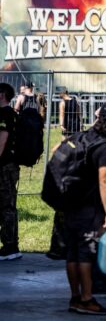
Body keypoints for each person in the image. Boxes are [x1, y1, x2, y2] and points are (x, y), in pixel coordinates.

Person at [63, 108, 106, 315]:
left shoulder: (83, 135)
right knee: (86, 254)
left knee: (72, 253)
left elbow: (58, 149)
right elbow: (104, 180)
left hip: (69, 202)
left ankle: (75, 297)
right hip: (88, 208)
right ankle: (87, 299)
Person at [0, 83, 20, 261]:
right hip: (9, 165)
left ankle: (10, 246)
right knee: (7, 205)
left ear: (2, 95)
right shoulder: (12, 113)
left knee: (7, 206)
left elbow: (3, 138)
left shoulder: (4, 113)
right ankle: (10, 244)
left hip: (4, 166)